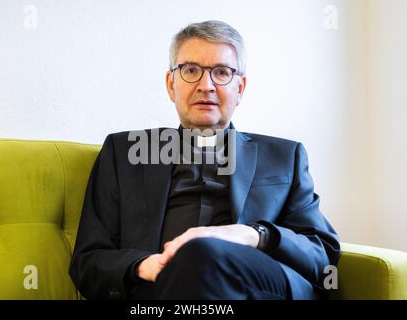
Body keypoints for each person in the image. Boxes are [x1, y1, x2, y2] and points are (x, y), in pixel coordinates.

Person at [69, 20, 340, 300]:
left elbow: (322, 255)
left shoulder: (285, 156)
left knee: (201, 251)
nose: (206, 85)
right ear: (171, 84)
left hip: (255, 284)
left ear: (240, 88)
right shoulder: (123, 153)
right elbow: (87, 261)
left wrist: (253, 235)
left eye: (221, 72)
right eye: (190, 70)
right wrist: (143, 265)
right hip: (158, 290)